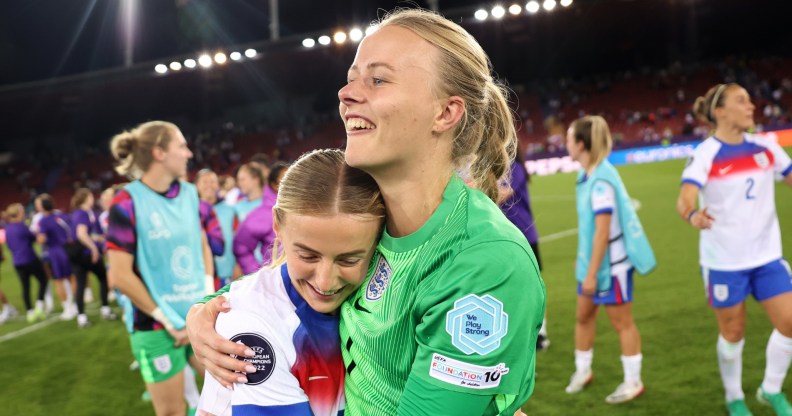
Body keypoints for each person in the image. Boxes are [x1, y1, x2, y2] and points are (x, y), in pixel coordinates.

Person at [188, 8, 545, 416]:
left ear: (445, 113)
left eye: (377, 79)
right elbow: (287, 279)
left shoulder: (482, 262)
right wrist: (206, 312)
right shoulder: (372, 215)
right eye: (351, 78)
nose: (345, 94)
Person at [198, 149, 383, 416]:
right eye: (307, 255)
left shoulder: (381, 291)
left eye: (349, 260)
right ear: (277, 225)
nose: (325, 281)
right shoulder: (251, 322)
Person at [677, 83, 792, 416]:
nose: (751, 106)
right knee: (732, 331)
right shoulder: (705, 153)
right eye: (741, 101)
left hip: (768, 256)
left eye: (750, 100)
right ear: (720, 112)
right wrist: (693, 214)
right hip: (724, 261)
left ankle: (771, 390)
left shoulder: (766, 146)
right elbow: (684, 197)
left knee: (789, 323)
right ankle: (734, 397)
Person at [106, 120, 213, 416]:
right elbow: (120, 275)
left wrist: (204, 303)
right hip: (155, 326)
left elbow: (201, 245)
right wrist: (170, 322)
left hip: (197, 317)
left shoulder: (190, 194)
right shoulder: (126, 202)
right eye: (181, 145)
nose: (189, 153)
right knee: (172, 412)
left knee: (233, 393)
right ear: (159, 154)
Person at [563, 115, 656, 404]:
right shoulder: (588, 175)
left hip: (610, 266)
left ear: (580, 144)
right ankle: (583, 371)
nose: (565, 143)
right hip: (591, 263)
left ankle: (633, 381)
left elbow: (602, 233)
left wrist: (591, 274)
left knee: (622, 323)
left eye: (569, 138)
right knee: (583, 316)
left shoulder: (601, 180)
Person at [499, 146, 549, 351]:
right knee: (511, 287)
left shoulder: (515, 167)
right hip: (508, 237)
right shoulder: (501, 167)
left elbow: (502, 193)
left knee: (533, 287)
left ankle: (541, 332)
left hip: (525, 235)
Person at [70, 188, 116, 328]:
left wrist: (97, 238)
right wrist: (94, 248)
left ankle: (83, 316)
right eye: (90, 196)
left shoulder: (85, 213)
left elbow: (87, 233)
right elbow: (81, 234)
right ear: (85, 198)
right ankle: (104, 309)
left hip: (82, 255)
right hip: (85, 254)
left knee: (83, 284)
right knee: (101, 278)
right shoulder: (82, 213)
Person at [232, 162, 288, 275]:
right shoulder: (237, 207)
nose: (239, 183)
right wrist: (257, 273)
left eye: (243, 179)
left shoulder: (274, 203)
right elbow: (240, 244)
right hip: (268, 273)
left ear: (256, 179)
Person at [35, 193, 78, 321]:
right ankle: (75, 304)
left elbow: (41, 240)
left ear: (43, 206)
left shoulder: (43, 221)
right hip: (68, 249)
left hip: (55, 251)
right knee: (72, 278)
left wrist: (38, 237)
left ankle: (67, 309)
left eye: (38, 204)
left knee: (58, 280)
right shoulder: (62, 215)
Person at [3, 203, 48, 323]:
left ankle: (29, 312)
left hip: (17, 261)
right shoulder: (22, 226)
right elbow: (36, 239)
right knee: (43, 280)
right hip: (30, 258)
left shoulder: (8, 229)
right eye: (22, 211)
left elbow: (10, 245)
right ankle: (39, 306)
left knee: (25, 287)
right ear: (18, 213)